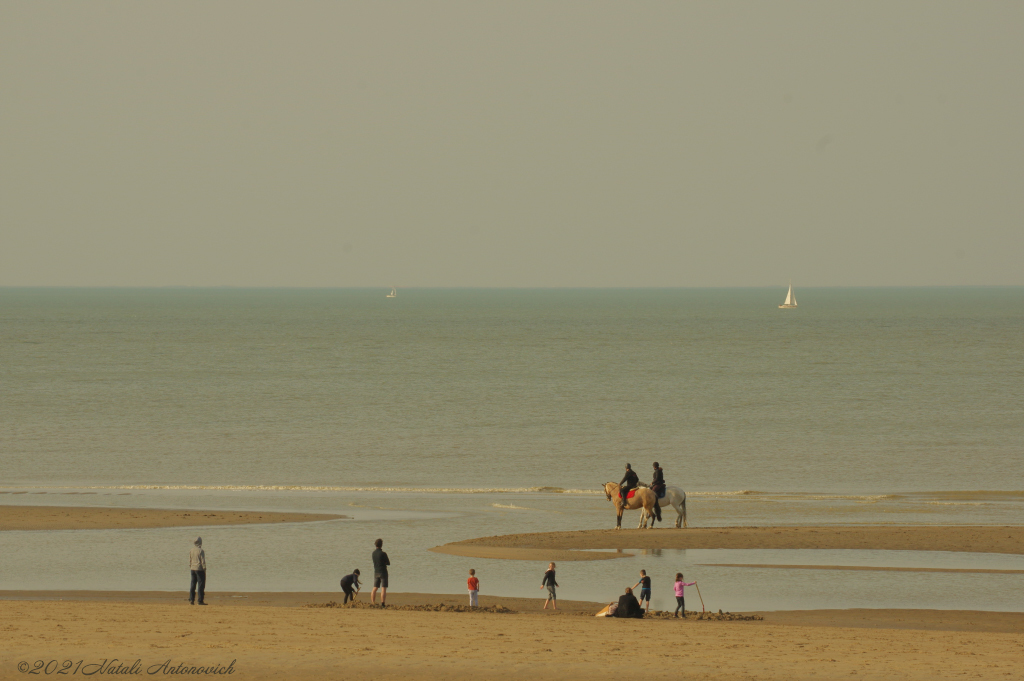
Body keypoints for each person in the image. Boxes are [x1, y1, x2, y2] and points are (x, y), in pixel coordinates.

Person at [370, 538, 390, 608]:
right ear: (381, 545)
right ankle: (383, 603)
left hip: (376, 572)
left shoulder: (373, 553)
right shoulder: (383, 553)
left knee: (375, 588)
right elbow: (388, 563)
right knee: (383, 588)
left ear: (375, 545)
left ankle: (373, 602)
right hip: (383, 572)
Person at [189, 537, 207, 606]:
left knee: (193, 584)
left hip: (192, 568)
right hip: (199, 569)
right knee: (201, 585)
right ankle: (200, 600)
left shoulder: (191, 550)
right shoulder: (201, 550)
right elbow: (203, 561)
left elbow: (190, 560)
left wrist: (191, 566)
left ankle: (191, 599)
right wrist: (204, 569)